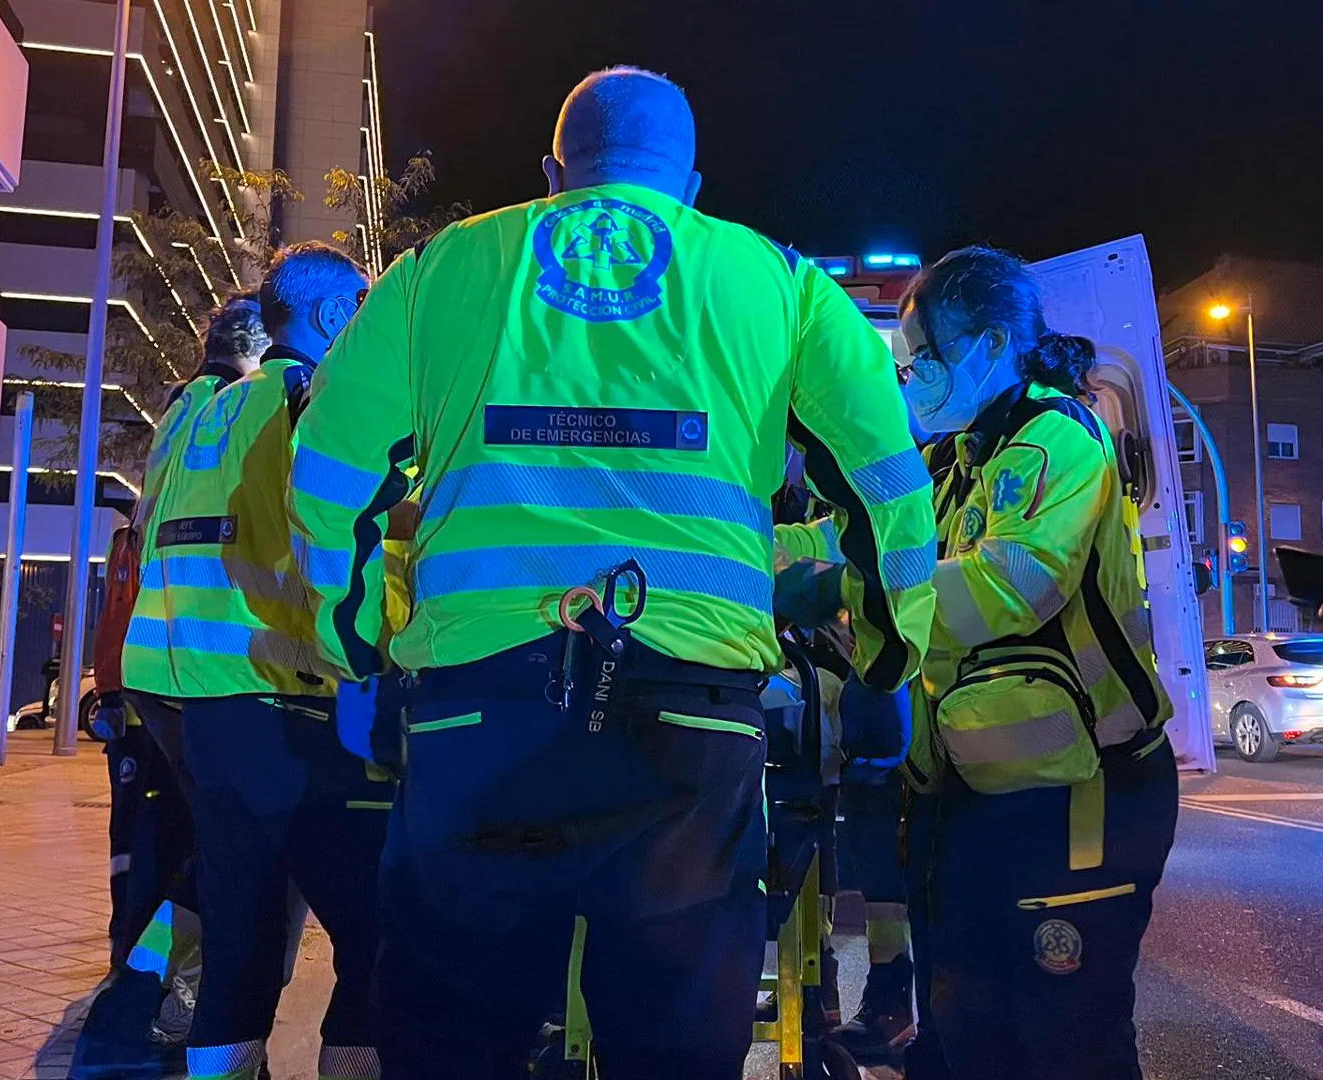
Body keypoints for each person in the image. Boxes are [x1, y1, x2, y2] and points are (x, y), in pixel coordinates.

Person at [290, 66, 937, 1080]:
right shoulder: (776, 280)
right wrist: (889, 662)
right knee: (673, 1050)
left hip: (477, 719)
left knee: (454, 1044)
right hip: (689, 733)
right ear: (687, 187)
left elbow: (330, 469)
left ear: (554, 171)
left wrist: (355, 647)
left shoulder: (440, 268)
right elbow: (886, 483)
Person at [820, 246, 1174, 1079]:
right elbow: (865, 544)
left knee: (1063, 1040)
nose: (913, 381)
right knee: (959, 1030)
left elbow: (1007, 586)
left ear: (986, 347)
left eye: (925, 361)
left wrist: (836, 588)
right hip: (976, 803)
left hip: (1082, 799)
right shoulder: (953, 464)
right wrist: (738, 556)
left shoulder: (1059, 441)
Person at [124, 243, 389, 1080]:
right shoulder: (314, 398)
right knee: (374, 935)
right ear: (333, 315)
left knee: (240, 941)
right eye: (365, 302)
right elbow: (344, 539)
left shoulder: (199, 409)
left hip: (198, 708)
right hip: (293, 701)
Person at [73, 292, 272, 1080]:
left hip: (162, 669)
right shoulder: (244, 408)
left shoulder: (185, 407)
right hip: (217, 671)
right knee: (237, 859)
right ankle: (170, 1006)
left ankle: (149, 991)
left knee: (201, 850)